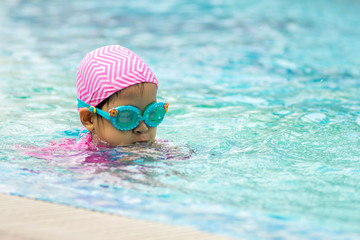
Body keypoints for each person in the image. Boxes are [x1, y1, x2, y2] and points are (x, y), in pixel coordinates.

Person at [76, 45, 169, 147]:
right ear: (89, 118)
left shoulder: (159, 149)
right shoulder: (76, 157)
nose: (143, 128)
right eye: (126, 117)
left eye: (152, 114)